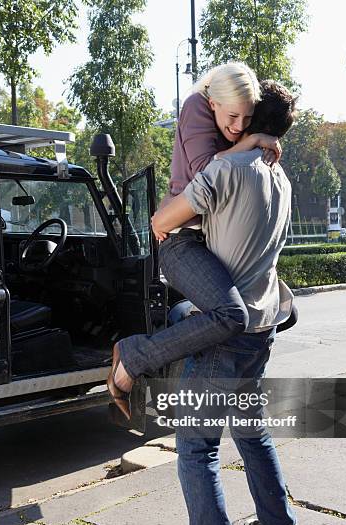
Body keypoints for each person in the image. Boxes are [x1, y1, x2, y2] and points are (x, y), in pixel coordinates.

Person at [152, 80, 298, 525]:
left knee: (197, 449)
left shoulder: (226, 170)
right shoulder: (280, 177)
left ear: (248, 120)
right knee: (251, 431)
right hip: (262, 329)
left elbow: (163, 222)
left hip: (222, 333)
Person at [107, 63, 283, 418]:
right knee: (232, 315)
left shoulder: (235, 128)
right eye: (233, 116)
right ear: (213, 102)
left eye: (247, 120)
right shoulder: (195, 107)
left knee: (260, 311)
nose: (238, 127)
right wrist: (251, 141)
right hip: (181, 238)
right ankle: (132, 357)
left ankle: (180, 335)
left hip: (206, 240)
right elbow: (206, 169)